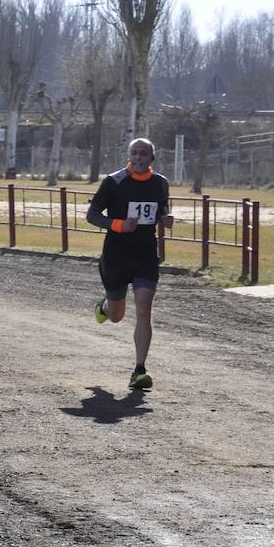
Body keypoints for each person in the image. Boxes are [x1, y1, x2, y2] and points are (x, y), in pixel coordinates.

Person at [86, 137, 174, 391]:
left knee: (144, 309)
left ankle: (139, 370)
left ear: (152, 158)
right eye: (134, 153)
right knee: (116, 316)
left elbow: (159, 210)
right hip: (116, 254)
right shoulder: (114, 182)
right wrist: (118, 224)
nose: (138, 158)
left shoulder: (160, 183)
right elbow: (92, 215)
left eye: (143, 154)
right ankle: (105, 306)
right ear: (129, 156)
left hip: (145, 253)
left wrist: (164, 219)